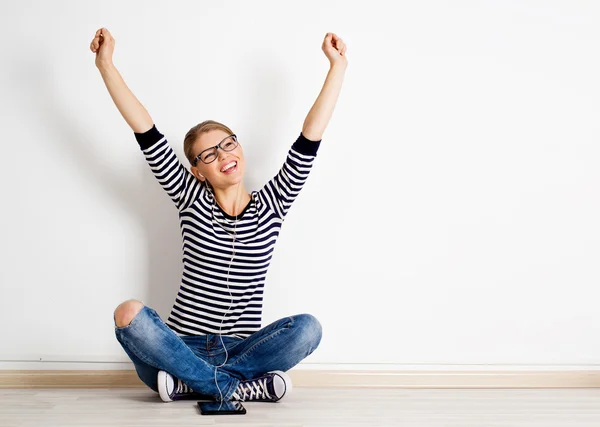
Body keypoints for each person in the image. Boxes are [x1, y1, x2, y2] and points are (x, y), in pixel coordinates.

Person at [90, 27, 347, 403]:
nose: (224, 155)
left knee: (309, 328)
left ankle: (193, 384)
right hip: (178, 349)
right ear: (197, 170)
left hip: (245, 349)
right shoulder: (189, 196)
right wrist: (105, 65)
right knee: (128, 312)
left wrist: (337, 67)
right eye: (209, 154)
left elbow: (310, 137)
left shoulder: (274, 202)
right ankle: (231, 386)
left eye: (228, 144)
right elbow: (144, 129)